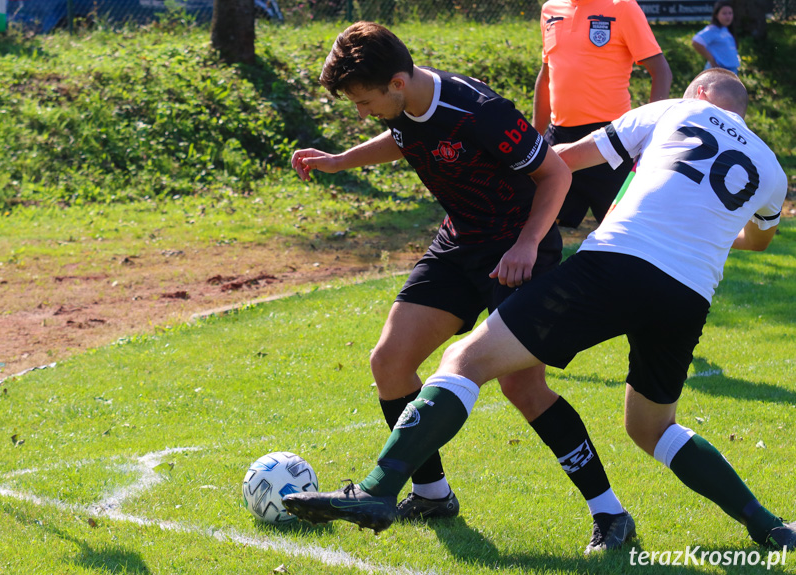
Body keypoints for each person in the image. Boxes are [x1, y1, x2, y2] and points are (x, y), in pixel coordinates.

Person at [283, 69, 796, 552]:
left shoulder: (674, 111)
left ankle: (377, 487)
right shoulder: (771, 171)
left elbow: (566, 158)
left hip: (617, 266)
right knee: (653, 428)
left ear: (699, 96)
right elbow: (758, 239)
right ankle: (769, 528)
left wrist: (492, 176)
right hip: (688, 296)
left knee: (465, 361)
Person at [290, 21, 635, 552]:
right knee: (390, 362)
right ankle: (431, 494)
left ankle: (610, 515)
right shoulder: (405, 105)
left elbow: (556, 175)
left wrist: (525, 243)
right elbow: (402, 139)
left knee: (523, 387)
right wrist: (340, 160)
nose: (361, 112)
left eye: (364, 101)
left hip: (520, 247)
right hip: (459, 243)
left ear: (398, 82)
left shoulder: (479, 110)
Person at [533, 0, 672, 229]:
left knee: (624, 233)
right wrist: (535, 137)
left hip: (611, 139)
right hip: (559, 138)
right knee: (535, 228)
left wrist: (651, 135)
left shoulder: (623, 7)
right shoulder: (550, 9)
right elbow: (547, 74)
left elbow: (661, 71)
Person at [692, 1, 740, 74]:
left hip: (731, 71)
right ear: (716, 15)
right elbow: (696, 42)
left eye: (730, 13)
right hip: (719, 72)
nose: (728, 16)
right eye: (724, 13)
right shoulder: (712, 30)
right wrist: (711, 60)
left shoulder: (726, 29)